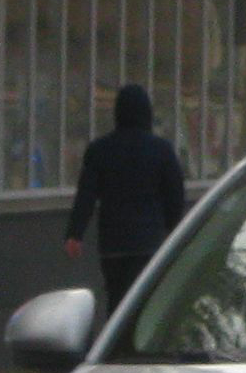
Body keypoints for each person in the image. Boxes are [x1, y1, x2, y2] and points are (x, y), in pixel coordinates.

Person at [64, 84, 186, 314]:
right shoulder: (162, 150)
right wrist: (172, 228)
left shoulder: (100, 150)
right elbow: (175, 196)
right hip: (148, 242)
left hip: (113, 242)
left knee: (117, 299)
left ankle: (116, 333)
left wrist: (75, 233)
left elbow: (86, 195)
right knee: (145, 303)